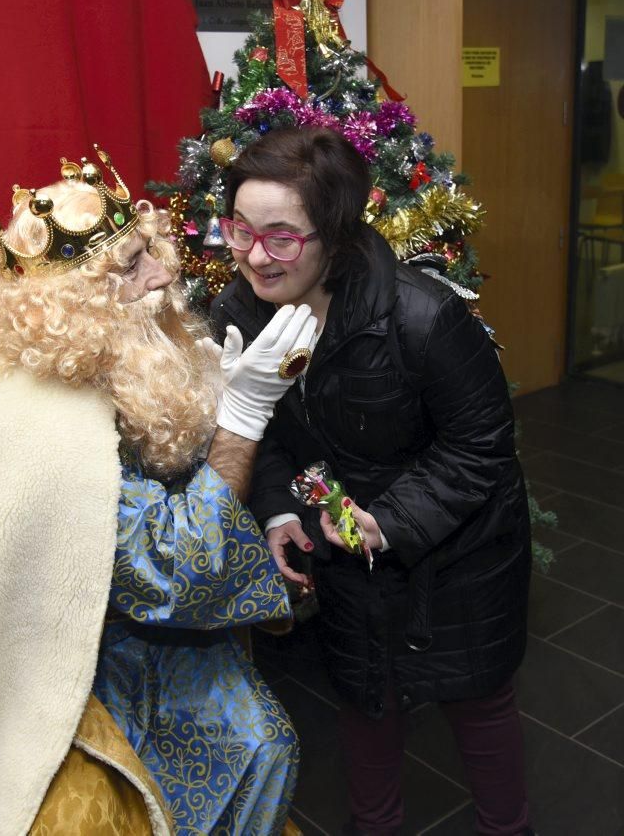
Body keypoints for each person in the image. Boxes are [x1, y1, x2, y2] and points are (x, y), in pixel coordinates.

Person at [0, 149, 317, 836]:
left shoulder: (132, 349)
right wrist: (241, 423)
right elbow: (170, 572)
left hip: (150, 626)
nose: (165, 271)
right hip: (64, 653)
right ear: (77, 302)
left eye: (150, 250)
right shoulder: (47, 422)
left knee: (263, 744)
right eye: (133, 265)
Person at [211, 127, 534, 836]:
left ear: (331, 233)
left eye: (281, 237)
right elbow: (254, 434)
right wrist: (275, 512)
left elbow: (482, 447)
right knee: (364, 701)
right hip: (348, 556)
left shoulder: (422, 316)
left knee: (478, 707)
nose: (254, 256)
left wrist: (392, 519)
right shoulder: (238, 311)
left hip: (460, 557)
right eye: (239, 230)